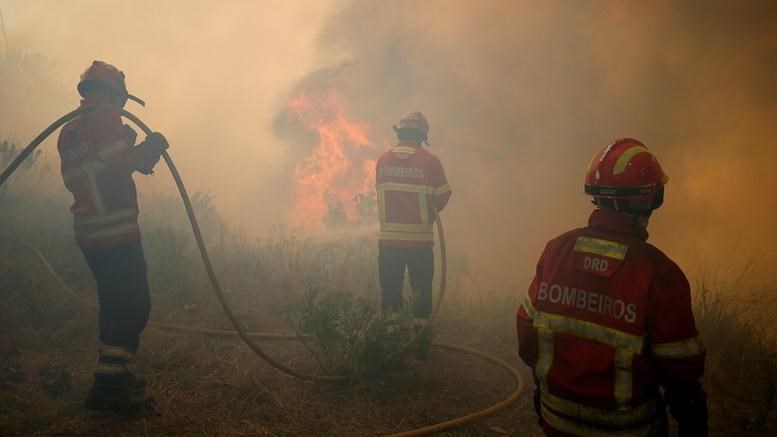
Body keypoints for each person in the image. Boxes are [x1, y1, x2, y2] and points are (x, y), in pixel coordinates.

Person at [516, 138, 707, 436]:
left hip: (557, 423)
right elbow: (680, 369)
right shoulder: (658, 272)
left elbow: (527, 334)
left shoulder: (557, 250)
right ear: (650, 199)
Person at [57, 60, 169, 415]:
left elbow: (98, 165)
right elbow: (119, 163)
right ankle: (107, 389)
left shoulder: (70, 130)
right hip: (116, 231)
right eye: (119, 99)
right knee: (135, 305)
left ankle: (113, 377)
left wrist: (127, 146)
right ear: (112, 93)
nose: (120, 108)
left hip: (89, 232)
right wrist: (148, 150)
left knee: (114, 303)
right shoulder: (106, 118)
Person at [375, 112, 451, 319]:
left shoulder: (383, 160)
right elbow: (443, 195)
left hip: (389, 243)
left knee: (390, 292)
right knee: (421, 293)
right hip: (420, 245)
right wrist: (427, 211)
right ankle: (419, 340)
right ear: (422, 136)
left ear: (399, 133)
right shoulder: (431, 162)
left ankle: (391, 337)